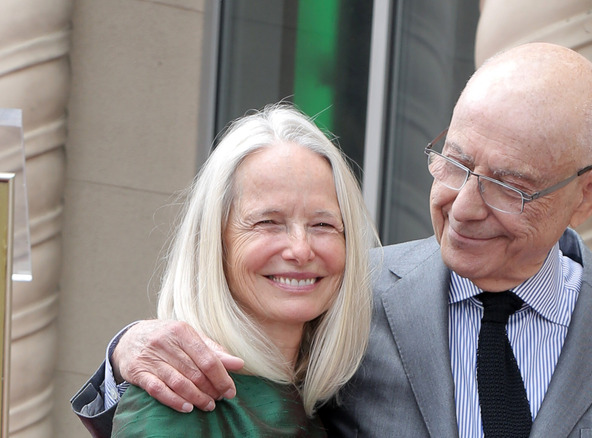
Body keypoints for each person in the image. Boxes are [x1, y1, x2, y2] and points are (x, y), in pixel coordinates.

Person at [73, 43, 592, 437]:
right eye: (456, 163)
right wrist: (126, 351)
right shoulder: (347, 293)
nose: (463, 207)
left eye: (509, 185)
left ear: (588, 194)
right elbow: (220, 395)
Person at [72, 104, 379, 437]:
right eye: (268, 222)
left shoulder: (328, 394)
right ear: (214, 242)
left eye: (322, 224)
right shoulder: (181, 397)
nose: (301, 249)